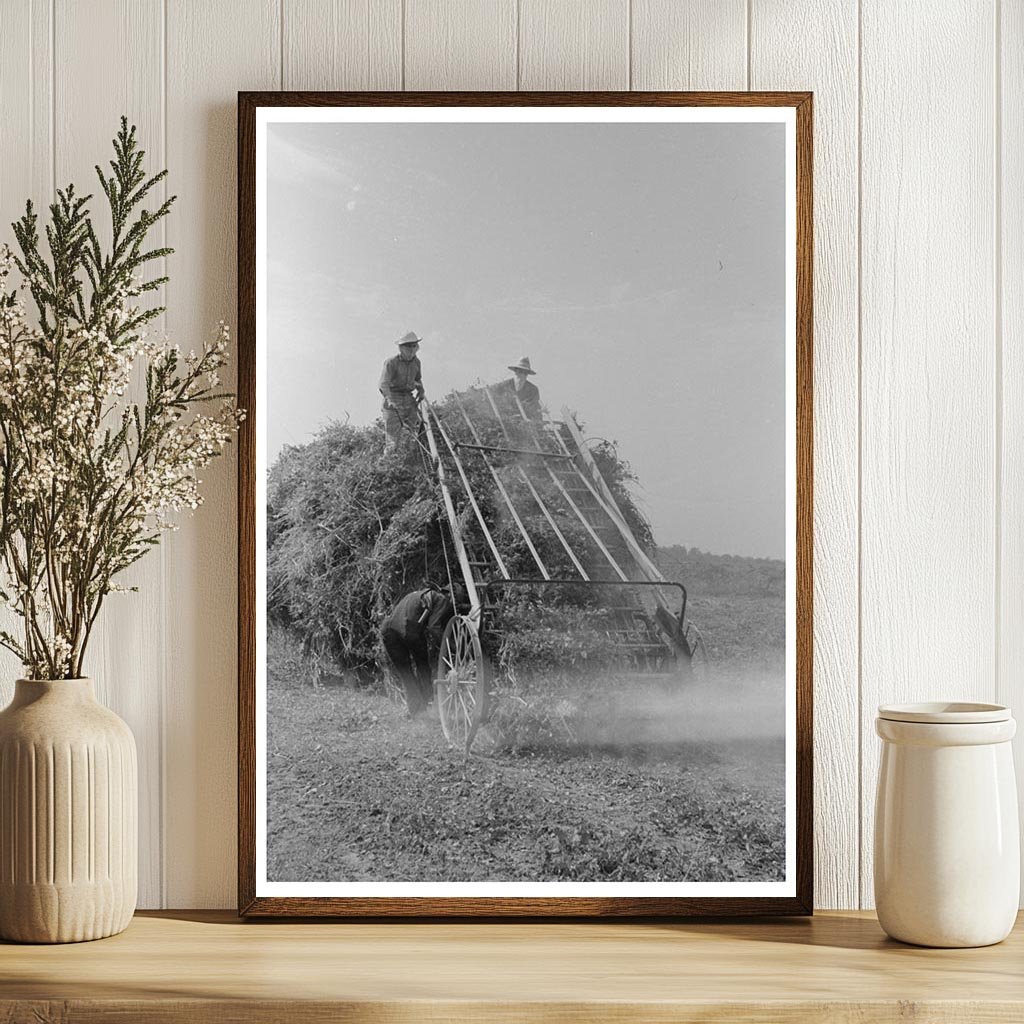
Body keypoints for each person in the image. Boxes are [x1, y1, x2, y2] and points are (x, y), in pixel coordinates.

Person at [380, 586, 455, 717]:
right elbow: (434, 627)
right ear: (450, 595)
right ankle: (428, 705)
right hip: (409, 628)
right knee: (423, 666)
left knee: (406, 673)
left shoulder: (419, 594)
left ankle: (416, 711)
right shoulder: (442, 599)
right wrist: (449, 647)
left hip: (388, 630)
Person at [379, 331, 425, 448]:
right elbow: (383, 384)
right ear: (401, 348)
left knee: (411, 439)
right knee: (393, 442)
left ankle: (409, 464)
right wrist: (389, 399)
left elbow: (418, 380)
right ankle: (390, 464)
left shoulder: (416, 363)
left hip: (409, 400)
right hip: (393, 399)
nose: (411, 349)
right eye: (408, 346)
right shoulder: (391, 362)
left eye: (414, 346)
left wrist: (421, 391)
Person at [502, 356, 542, 420]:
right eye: (520, 371)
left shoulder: (533, 390)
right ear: (515, 371)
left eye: (525, 372)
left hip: (525, 423)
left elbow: (536, 409)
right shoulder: (504, 385)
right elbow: (489, 392)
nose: (522, 375)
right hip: (505, 421)